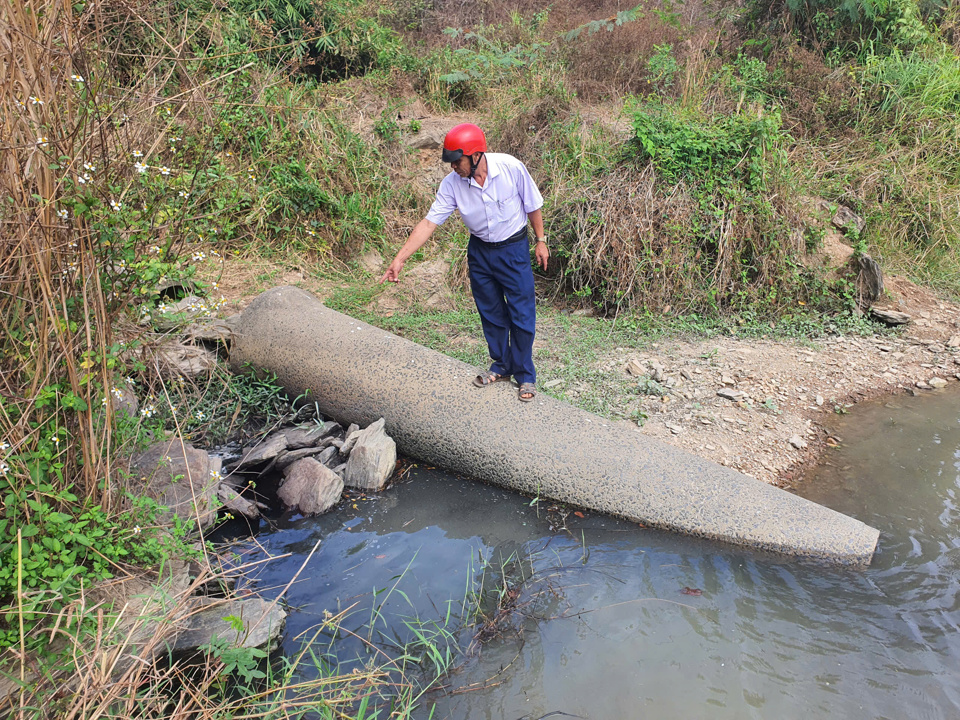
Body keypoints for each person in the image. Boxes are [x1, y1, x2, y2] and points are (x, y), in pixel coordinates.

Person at [379, 122, 549, 402]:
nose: (453, 168)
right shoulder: (452, 185)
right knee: (491, 312)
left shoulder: (511, 168)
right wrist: (399, 259)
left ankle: (525, 376)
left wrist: (541, 240)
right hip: (480, 252)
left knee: (522, 314)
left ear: (476, 155)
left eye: (457, 161)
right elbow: (430, 222)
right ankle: (502, 365)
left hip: (513, 249)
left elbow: (533, 204)